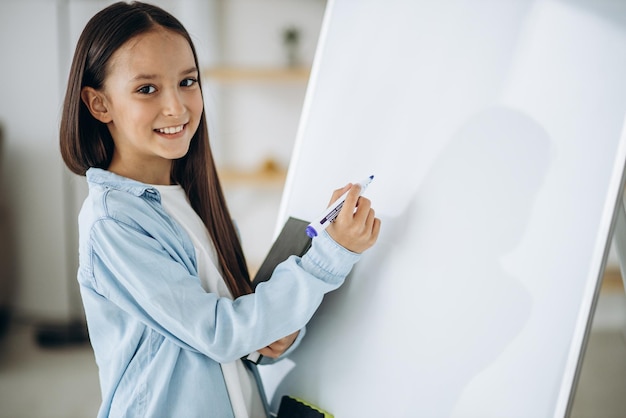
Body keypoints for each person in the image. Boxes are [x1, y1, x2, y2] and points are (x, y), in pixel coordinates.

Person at [59, 2, 380, 417]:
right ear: (99, 104)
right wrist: (328, 257)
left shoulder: (194, 197)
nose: (176, 107)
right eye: (147, 89)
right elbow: (219, 333)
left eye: (187, 81)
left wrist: (272, 340)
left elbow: (235, 329)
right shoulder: (112, 222)